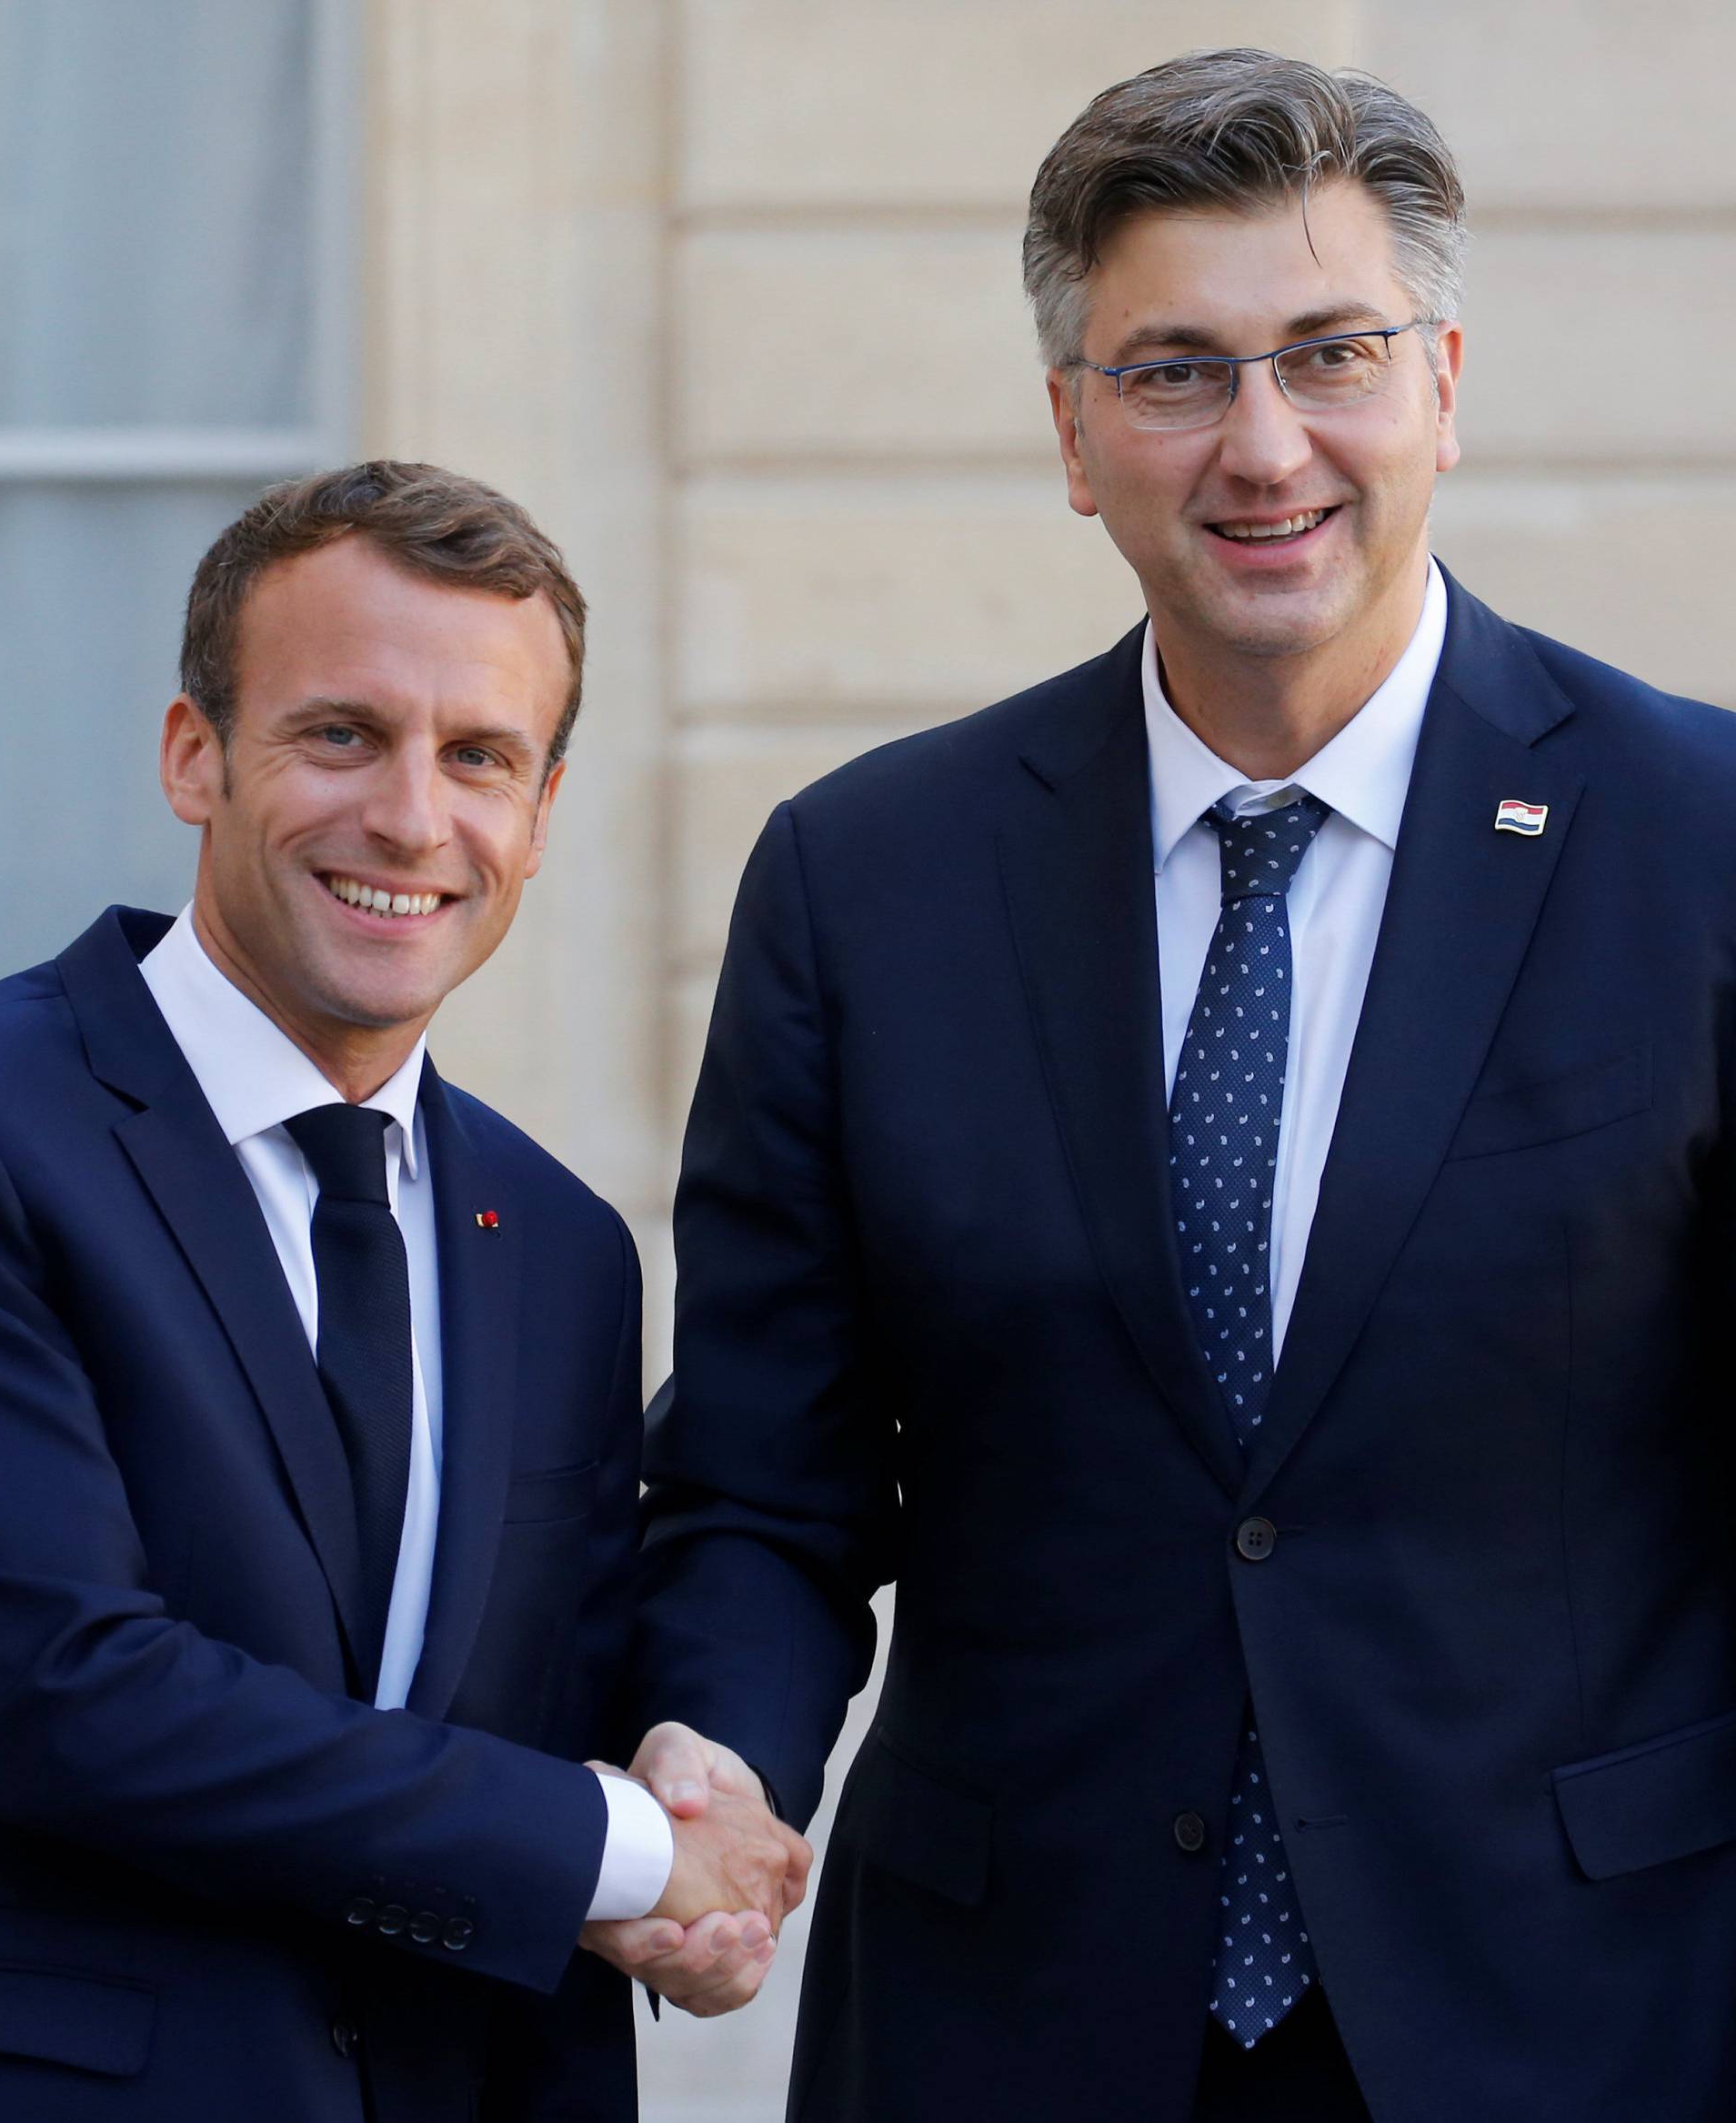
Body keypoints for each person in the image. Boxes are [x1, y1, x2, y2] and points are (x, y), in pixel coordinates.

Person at [631, 47, 1736, 2123]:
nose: (1262, 444)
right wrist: (716, 1755)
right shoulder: (869, 880)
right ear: (1072, 431)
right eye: (1174, 372)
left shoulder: (1702, 844)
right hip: (1008, 2021)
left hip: (1587, 2015)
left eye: (1330, 354)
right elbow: (766, 1487)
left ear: (1444, 385)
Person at [0, 461, 807, 2122]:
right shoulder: (10, 1126)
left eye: (482, 757)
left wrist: (704, 1781)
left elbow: (553, 1698)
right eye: (343, 734)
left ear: (542, 814)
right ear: (193, 755)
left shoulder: (563, 1245)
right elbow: (64, 1688)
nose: (415, 819)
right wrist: (631, 1849)